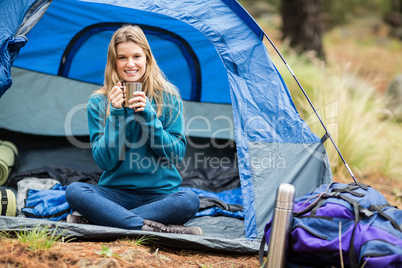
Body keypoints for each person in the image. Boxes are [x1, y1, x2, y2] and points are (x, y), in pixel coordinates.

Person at [65, 25, 202, 236]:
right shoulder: (99, 102)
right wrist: (117, 115)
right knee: (75, 191)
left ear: (147, 58)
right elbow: (105, 162)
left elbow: (175, 155)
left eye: (136, 56)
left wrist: (149, 116)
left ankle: (103, 219)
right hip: (114, 193)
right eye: (122, 58)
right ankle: (157, 228)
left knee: (189, 200)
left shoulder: (168, 97)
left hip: (160, 195)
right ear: (114, 62)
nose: (130, 64)